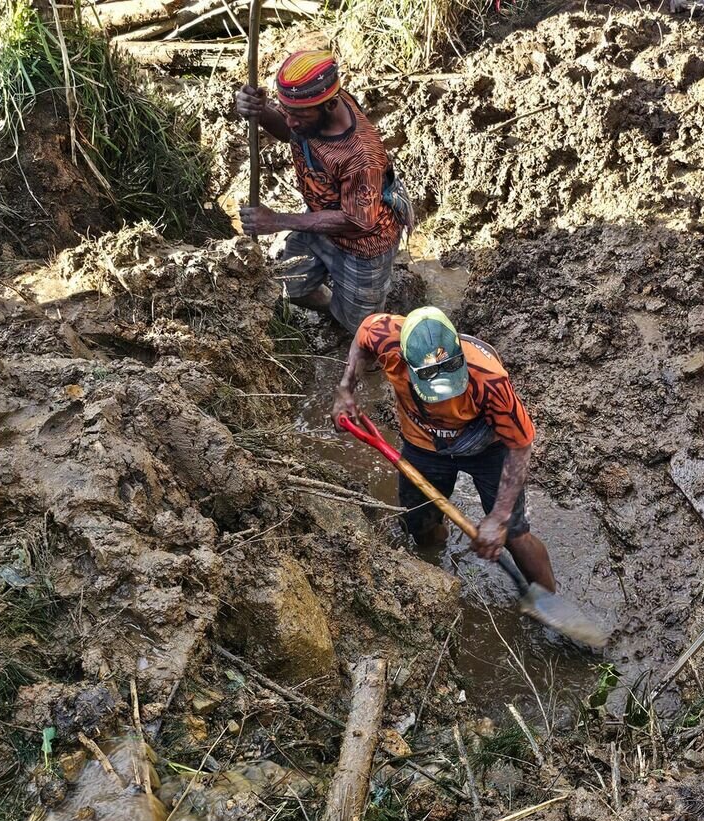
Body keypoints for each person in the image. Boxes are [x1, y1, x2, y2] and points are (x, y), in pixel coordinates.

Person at [332, 307, 556, 591]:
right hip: (424, 443)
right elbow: (362, 336)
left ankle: (549, 601)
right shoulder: (385, 336)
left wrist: (498, 518)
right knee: (420, 524)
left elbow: (520, 445)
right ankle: (435, 567)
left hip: (487, 447)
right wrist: (345, 388)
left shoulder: (489, 379)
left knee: (513, 534)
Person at [233, 50, 409, 334]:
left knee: (363, 328)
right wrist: (260, 111)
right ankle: (336, 309)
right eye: (284, 110)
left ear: (330, 106)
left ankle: (364, 339)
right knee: (292, 284)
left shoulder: (360, 155)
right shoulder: (314, 113)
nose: (289, 121)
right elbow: (290, 132)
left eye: (297, 115)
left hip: (364, 242)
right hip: (321, 219)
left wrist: (277, 221)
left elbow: (358, 220)